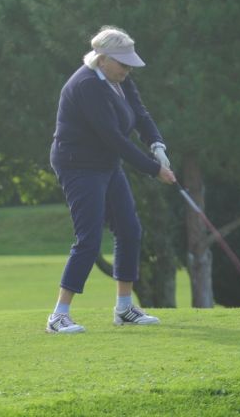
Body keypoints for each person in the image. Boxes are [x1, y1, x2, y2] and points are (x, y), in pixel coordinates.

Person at [47, 26, 177, 334]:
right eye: (123, 63)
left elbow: (140, 115)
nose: (128, 70)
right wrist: (154, 170)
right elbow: (114, 138)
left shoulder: (119, 79)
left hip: (105, 163)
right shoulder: (86, 85)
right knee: (89, 239)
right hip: (78, 165)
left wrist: (157, 145)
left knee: (129, 229)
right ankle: (58, 316)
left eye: (130, 64)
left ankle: (124, 308)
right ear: (103, 59)